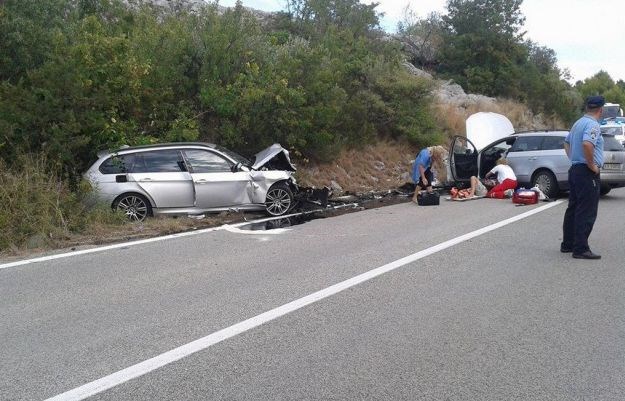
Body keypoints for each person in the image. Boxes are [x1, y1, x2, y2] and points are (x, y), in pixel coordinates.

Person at [560, 95, 605, 260]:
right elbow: (587, 144)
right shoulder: (593, 125)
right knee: (586, 210)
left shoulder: (578, 123)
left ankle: (568, 243)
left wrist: (574, 158)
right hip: (586, 172)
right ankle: (580, 248)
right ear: (601, 110)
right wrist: (591, 165)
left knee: (573, 208)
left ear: (587, 108)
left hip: (575, 170)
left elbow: (566, 143)